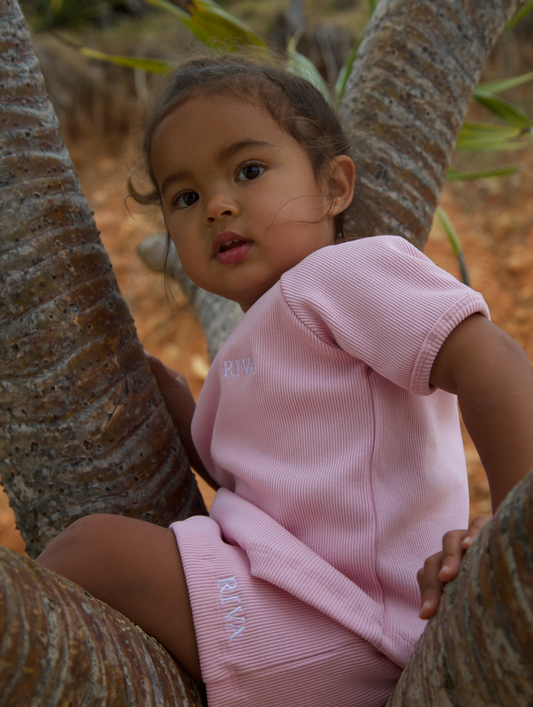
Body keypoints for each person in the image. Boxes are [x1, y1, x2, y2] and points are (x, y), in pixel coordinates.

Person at [37, 57, 533, 707]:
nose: (216, 205)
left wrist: (512, 527)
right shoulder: (256, 343)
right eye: (184, 196)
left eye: (248, 170)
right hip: (305, 610)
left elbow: (485, 356)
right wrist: (188, 421)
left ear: (334, 186)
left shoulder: (341, 274)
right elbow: (274, 482)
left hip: (344, 620)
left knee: (89, 552)